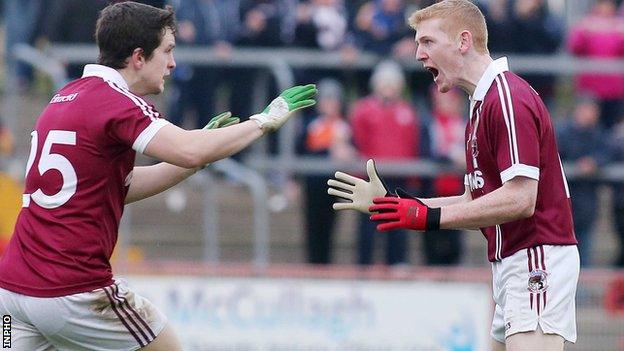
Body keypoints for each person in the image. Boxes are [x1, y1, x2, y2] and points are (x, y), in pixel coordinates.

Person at [0, 2, 316, 350]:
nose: (172, 63)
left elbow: (115, 188)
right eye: (167, 51)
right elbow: (188, 148)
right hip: (73, 290)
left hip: (13, 294)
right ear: (138, 57)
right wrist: (263, 121)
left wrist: (197, 156)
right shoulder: (117, 101)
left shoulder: (64, 97)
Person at [327, 1, 578, 350]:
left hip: (536, 258)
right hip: (512, 262)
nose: (418, 54)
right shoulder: (479, 105)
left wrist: (425, 215)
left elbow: (521, 198)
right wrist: (397, 206)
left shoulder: (506, 98)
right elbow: (472, 202)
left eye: (427, 42)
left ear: (463, 42)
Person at [349, 60, 422, 266]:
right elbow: (359, 141)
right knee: (367, 226)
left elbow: (412, 144)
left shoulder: (407, 112)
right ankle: (364, 267)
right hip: (372, 178)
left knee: (398, 225)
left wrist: (413, 178)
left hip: (399, 178)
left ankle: (397, 264)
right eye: (385, 83)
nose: (389, 87)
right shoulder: (363, 110)